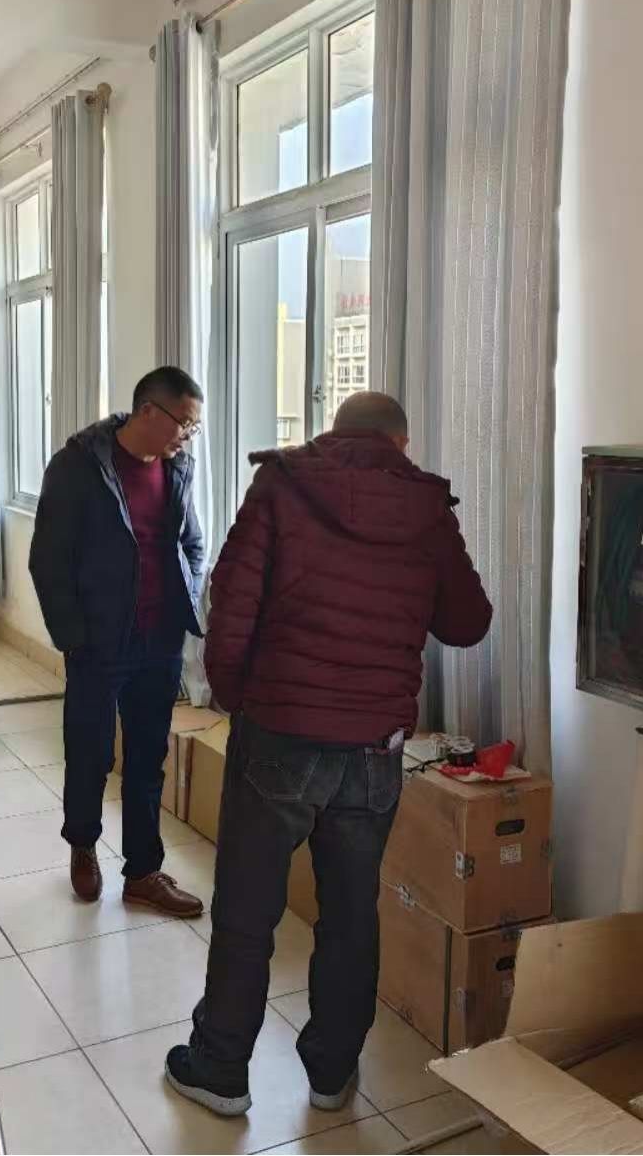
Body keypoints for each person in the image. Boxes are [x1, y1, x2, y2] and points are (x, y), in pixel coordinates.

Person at [165, 391, 492, 1115]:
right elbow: (468, 622)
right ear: (400, 445)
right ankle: (331, 1072)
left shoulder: (283, 484)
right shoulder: (426, 508)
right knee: (350, 913)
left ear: (333, 433)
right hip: (374, 750)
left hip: (279, 733)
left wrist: (235, 696)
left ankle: (220, 1069)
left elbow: (231, 600)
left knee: (248, 908)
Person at [30, 366, 209, 918]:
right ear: (149, 411)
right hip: (98, 640)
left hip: (159, 640)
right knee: (89, 751)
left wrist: (184, 600)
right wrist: (73, 638)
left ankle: (143, 872)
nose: (188, 436)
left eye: (194, 427)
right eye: (184, 423)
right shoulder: (79, 467)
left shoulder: (177, 469)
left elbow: (193, 543)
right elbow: (48, 560)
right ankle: (83, 845)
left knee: (148, 758)